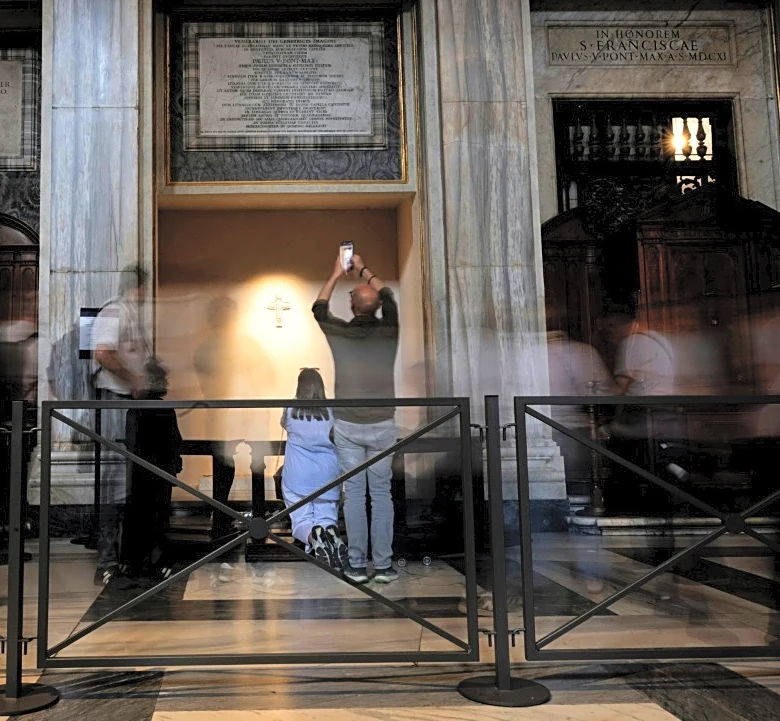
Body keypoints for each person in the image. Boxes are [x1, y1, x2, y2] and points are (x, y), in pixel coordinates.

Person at [313, 252, 399, 584]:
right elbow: (388, 294)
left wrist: (337, 272)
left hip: (349, 422)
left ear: (352, 308)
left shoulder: (341, 333)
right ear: (377, 308)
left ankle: (357, 564)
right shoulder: (389, 329)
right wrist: (363, 268)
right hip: (382, 422)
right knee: (381, 494)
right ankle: (385, 565)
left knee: (354, 492)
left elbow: (318, 308)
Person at [91, 265, 151, 585]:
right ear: (139, 289)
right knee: (115, 484)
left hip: (129, 404)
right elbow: (103, 352)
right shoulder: (114, 313)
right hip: (116, 402)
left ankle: (128, 558)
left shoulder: (129, 314)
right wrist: (134, 378)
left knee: (128, 484)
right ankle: (108, 561)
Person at [121, 357, 182, 581]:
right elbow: (174, 440)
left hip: (141, 472)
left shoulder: (136, 409)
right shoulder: (164, 409)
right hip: (159, 471)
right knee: (157, 517)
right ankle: (155, 562)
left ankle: (135, 563)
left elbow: (132, 442)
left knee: (139, 516)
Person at [280, 368, 347, 568]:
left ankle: (313, 538)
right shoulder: (333, 411)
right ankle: (330, 534)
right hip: (328, 475)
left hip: (297, 475)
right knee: (326, 516)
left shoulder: (290, 408)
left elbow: (284, 424)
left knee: (301, 519)